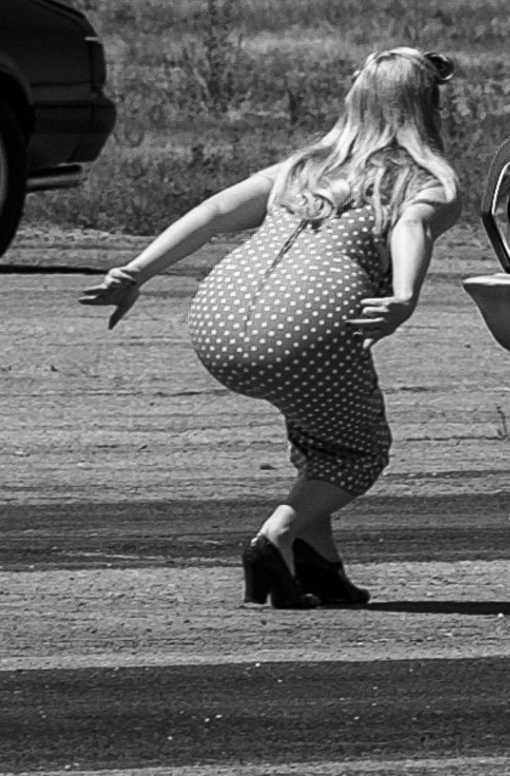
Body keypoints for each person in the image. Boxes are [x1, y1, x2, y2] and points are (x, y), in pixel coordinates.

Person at [81, 48, 462, 609]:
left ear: (355, 98)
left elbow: (214, 212)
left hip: (218, 320)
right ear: (428, 106)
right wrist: (404, 296)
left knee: (317, 430)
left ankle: (318, 566)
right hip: (305, 329)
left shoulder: (302, 166)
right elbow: (412, 226)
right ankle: (276, 537)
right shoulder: (427, 180)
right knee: (356, 451)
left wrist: (138, 271)